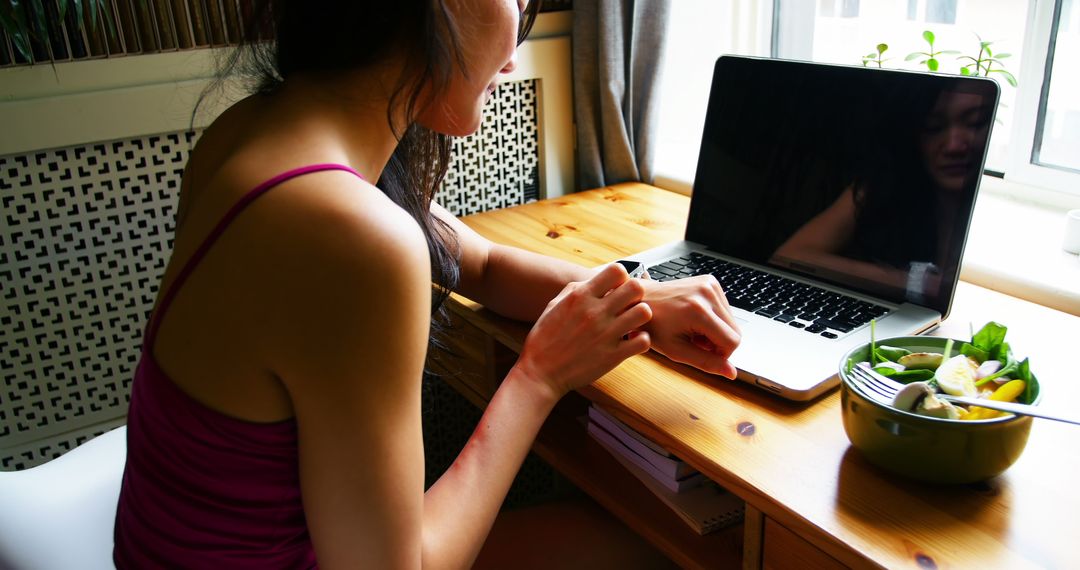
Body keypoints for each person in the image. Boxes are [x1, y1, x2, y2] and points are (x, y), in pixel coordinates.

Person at [112, 1, 742, 567]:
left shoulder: (259, 127)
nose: (521, 23)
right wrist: (540, 375)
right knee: (655, 550)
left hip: (163, 547)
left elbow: (486, 265)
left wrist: (639, 301)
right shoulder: (347, 235)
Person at [770, 87, 993, 304]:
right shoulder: (884, 186)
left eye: (975, 123)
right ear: (914, 137)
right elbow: (790, 255)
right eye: (932, 127)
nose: (954, 145)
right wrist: (917, 283)